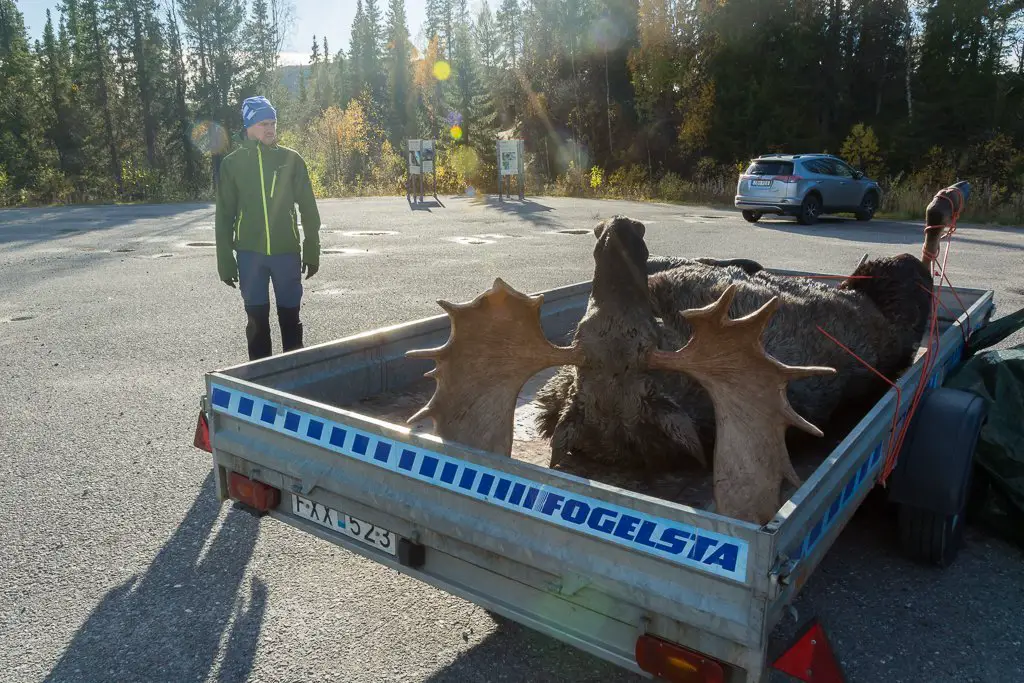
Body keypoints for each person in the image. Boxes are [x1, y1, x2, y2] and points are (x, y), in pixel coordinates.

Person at [214, 95, 322, 361]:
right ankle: (262, 383)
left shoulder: (291, 159)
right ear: (249, 126)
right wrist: (225, 258)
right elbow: (224, 215)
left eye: (273, 121)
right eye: (263, 122)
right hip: (251, 256)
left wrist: (312, 247)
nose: (270, 127)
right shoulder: (232, 164)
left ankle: (294, 378)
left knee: (290, 319)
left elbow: (308, 208)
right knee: (257, 323)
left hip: (286, 252)